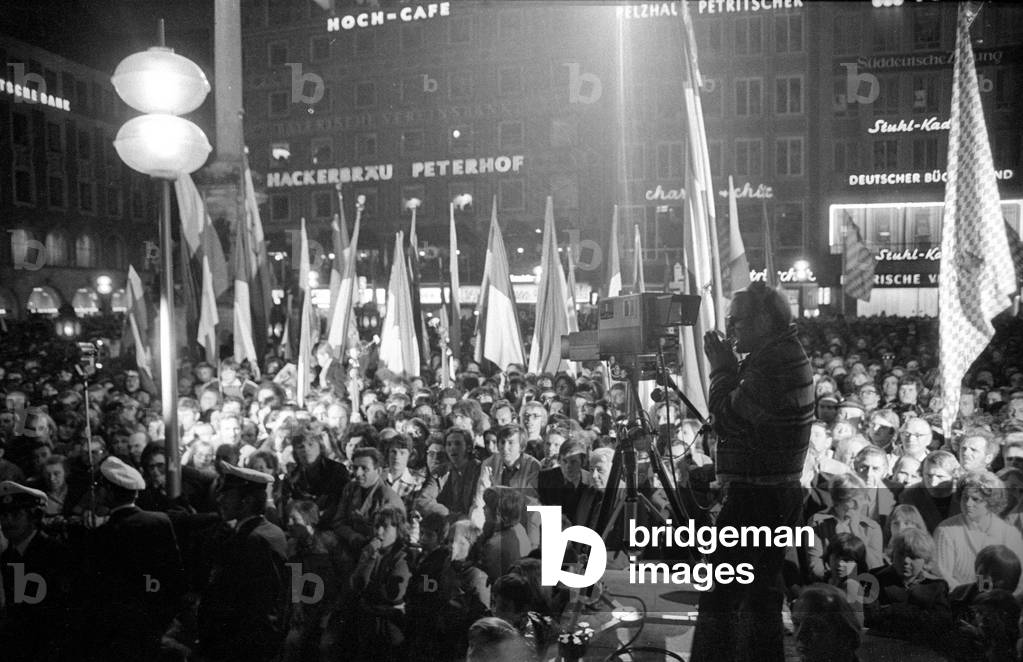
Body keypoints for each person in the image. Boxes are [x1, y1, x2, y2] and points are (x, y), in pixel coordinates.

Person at [690, 281, 814, 662]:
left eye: (737, 321)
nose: (729, 330)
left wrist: (721, 370)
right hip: (767, 493)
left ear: (764, 319)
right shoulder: (773, 353)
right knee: (758, 595)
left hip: (759, 498)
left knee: (725, 594)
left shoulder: (775, 362)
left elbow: (727, 419)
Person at [83, 456, 186, 662]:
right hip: (155, 622)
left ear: (109, 492)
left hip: (118, 630)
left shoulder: (103, 534)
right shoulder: (160, 521)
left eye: (101, 488)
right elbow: (173, 576)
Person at [197, 462, 289, 662]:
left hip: (243, 646)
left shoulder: (252, 540)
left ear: (246, 501)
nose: (220, 499)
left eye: (227, 495)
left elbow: (257, 604)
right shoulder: (263, 532)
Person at [0, 481, 74, 662]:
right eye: (3, 515)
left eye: (16, 514)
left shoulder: (55, 553)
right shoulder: (8, 557)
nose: (7, 521)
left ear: (34, 517)